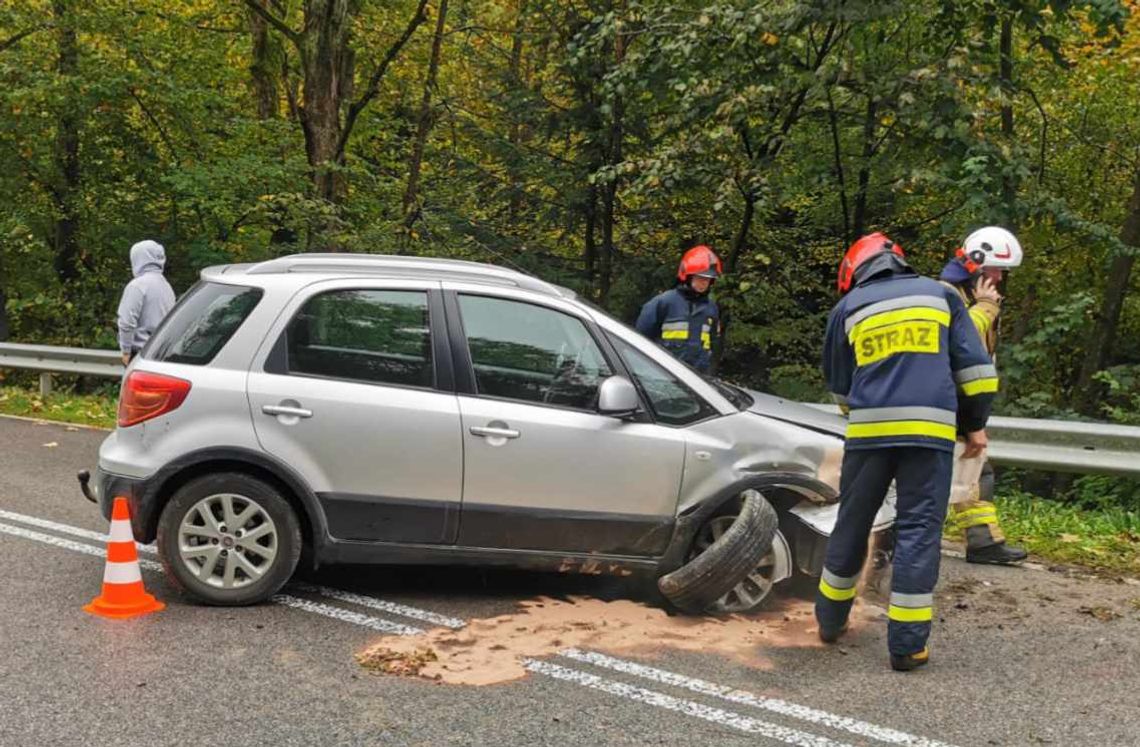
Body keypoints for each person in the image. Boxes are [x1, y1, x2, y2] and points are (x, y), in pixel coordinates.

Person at [817, 232, 997, 671]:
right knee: (919, 532)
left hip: (868, 436)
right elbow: (976, 375)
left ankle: (829, 622)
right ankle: (907, 647)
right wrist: (973, 426)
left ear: (855, 270)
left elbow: (840, 388)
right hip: (929, 436)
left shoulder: (847, 308)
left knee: (852, 522)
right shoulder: (940, 296)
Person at [938, 226, 1028, 565]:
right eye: (998, 269)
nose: (1002, 278)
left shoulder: (966, 296)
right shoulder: (948, 295)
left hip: (958, 405)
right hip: (944, 405)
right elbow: (960, 346)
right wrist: (986, 308)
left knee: (974, 471)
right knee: (948, 473)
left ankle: (984, 542)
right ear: (977, 265)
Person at [635, 245, 722, 372]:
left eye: (708, 279)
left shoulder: (711, 308)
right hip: (664, 374)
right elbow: (640, 340)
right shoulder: (663, 302)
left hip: (699, 376)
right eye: (700, 277)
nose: (704, 283)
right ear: (687, 276)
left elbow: (712, 341)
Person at [116, 240, 175, 364]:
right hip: (161, 353)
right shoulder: (166, 286)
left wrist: (126, 351)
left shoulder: (137, 285)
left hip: (140, 354)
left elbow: (126, 322)